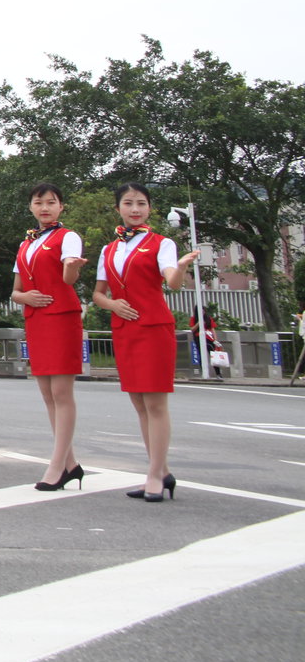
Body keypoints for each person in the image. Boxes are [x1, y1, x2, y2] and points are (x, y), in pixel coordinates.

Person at [93, 183, 198, 502]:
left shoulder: (161, 243)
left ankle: (154, 474)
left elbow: (172, 281)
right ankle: (161, 471)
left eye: (141, 203)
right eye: (128, 203)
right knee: (138, 403)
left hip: (153, 327)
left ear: (149, 208)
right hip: (124, 328)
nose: (135, 209)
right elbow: (98, 293)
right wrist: (112, 305)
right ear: (118, 209)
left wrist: (180, 268)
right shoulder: (109, 249)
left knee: (155, 403)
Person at [12, 182, 86, 491]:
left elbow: (69, 276)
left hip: (61, 318)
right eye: (39, 202)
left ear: (61, 207)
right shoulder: (26, 245)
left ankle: (56, 466)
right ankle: (70, 464)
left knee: (61, 393)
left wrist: (72, 268)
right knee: (46, 393)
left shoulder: (67, 237)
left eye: (51, 202)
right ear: (31, 207)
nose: (45, 207)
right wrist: (26, 298)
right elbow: (15, 292)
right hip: (37, 319)